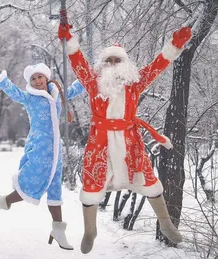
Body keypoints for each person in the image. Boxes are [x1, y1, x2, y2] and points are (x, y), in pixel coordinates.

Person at [58, 24, 192, 254]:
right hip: (100, 142)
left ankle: (165, 222)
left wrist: (174, 46)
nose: (112, 64)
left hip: (130, 141)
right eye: (108, 60)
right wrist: (70, 41)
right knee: (91, 184)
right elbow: (79, 63)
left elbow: (156, 66)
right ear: (102, 64)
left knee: (148, 180)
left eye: (117, 60)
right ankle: (90, 230)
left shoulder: (135, 84)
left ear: (125, 64)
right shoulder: (93, 83)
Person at [0, 56, 84, 250]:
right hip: (39, 148)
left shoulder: (57, 94)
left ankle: (58, 231)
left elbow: (76, 89)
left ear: (46, 77)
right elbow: (11, 90)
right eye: (33, 79)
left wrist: (90, 76)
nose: (37, 81)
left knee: (55, 189)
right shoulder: (29, 97)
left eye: (40, 77)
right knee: (31, 185)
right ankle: (2, 201)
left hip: (56, 150)